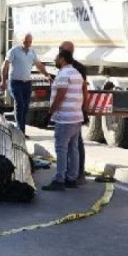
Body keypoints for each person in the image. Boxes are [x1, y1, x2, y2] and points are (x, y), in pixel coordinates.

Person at [41, 48, 85, 191]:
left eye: (56, 58)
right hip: (76, 117)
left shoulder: (64, 74)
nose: (54, 61)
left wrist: (49, 113)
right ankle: (72, 178)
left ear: (62, 59)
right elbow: (84, 90)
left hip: (65, 118)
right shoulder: (77, 73)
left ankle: (59, 180)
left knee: (61, 149)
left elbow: (61, 95)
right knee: (73, 149)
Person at [0, 33, 51, 135]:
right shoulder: (14, 51)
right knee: (20, 104)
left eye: (29, 42)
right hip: (15, 82)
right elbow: (5, 66)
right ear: (21, 41)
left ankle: (21, 128)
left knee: (26, 107)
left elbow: (39, 65)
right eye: (25, 41)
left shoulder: (32, 52)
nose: (27, 44)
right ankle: (20, 130)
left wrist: (47, 75)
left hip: (27, 83)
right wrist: (3, 80)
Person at [60, 40, 89, 184]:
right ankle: (72, 173)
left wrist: (84, 109)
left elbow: (84, 89)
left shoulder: (78, 68)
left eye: (61, 50)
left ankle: (76, 173)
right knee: (72, 145)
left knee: (74, 144)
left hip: (73, 112)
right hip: (71, 112)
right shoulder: (64, 66)